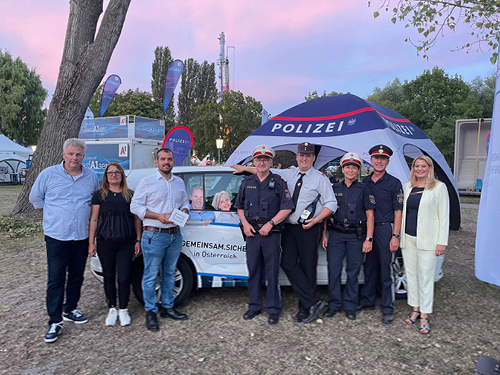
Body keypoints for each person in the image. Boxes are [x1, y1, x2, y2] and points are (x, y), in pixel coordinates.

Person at [233, 142, 337, 323]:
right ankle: (313, 301)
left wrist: (317, 220)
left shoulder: (320, 178)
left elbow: (332, 204)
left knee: (307, 268)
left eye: (308, 155)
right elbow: (264, 171)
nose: (304, 158)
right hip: (288, 228)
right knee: (287, 263)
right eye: (301, 155)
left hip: (309, 228)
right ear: (297, 157)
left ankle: (306, 308)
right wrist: (242, 167)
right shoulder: (289, 173)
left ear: (313, 158)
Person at [29, 138, 99, 343]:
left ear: (83, 157)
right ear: (63, 154)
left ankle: (71, 309)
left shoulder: (91, 177)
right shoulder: (48, 175)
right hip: (57, 236)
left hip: (81, 236)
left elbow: (94, 203)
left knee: (77, 276)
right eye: (71, 154)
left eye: (78, 154)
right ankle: (54, 320)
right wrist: (55, 214)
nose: (74, 158)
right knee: (56, 278)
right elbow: (35, 199)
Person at [130, 148, 190, 332]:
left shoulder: (179, 182)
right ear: (157, 162)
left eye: (169, 159)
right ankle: (150, 311)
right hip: (154, 234)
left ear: (173, 162)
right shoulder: (147, 182)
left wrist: (186, 211)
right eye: (163, 159)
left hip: (175, 234)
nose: (166, 162)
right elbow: (135, 206)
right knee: (150, 275)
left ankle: (168, 307)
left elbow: (185, 202)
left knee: (170, 272)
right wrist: (158, 216)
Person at [234, 145, 294, 325]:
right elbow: (239, 206)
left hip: (271, 234)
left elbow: (287, 208)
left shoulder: (279, 182)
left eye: (265, 159)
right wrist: (244, 224)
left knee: (272, 272)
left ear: (271, 162)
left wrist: (270, 223)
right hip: (251, 234)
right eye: (258, 160)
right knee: (253, 271)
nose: (262, 162)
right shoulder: (246, 183)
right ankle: (254, 306)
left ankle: (273, 309)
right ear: (254, 162)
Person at [321, 152, 375, 321]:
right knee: (334, 270)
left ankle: (350, 305)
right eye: (347, 167)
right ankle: (334, 304)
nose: (351, 170)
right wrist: (324, 234)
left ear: (358, 170)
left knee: (353, 271)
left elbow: (370, 215)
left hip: (356, 236)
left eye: (354, 167)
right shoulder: (333, 188)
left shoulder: (364, 189)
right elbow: (327, 213)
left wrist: (369, 238)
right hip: (336, 234)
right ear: (342, 169)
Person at [88, 162, 142, 327]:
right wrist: (91, 242)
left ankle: (123, 309)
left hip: (126, 242)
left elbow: (136, 219)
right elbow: (94, 219)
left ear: (122, 175)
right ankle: (112, 308)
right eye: (110, 172)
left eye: (117, 172)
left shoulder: (130, 195)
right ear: (106, 175)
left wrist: (138, 239)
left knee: (124, 277)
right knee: (109, 276)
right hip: (105, 242)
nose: (113, 175)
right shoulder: (99, 195)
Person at [400, 155, 449, 334]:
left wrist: (441, 242)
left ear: (429, 168)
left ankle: (425, 315)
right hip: (408, 239)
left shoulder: (439, 187)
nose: (419, 169)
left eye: (423, 166)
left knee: (426, 278)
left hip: (428, 240)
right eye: (416, 166)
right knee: (411, 275)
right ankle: (415, 308)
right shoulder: (408, 187)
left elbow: (444, 217)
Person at [358, 145, 403, 324]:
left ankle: (387, 307)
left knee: (386, 269)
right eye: (376, 158)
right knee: (369, 266)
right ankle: (368, 301)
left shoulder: (394, 182)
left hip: (385, 229)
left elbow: (398, 211)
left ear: (388, 161)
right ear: (371, 160)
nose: (379, 161)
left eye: (383, 158)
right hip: (367, 230)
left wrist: (395, 235)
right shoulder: (365, 182)